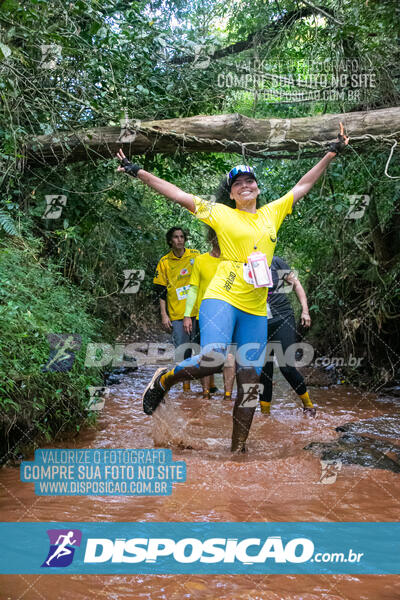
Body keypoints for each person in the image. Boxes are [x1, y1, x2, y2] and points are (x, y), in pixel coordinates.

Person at [116, 122, 349, 452]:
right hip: (222, 295)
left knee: (250, 381)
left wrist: (331, 153)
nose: (244, 186)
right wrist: (138, 171)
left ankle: (237, 449)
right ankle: (165, 378)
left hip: (255, 306)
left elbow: (304, 184)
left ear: (257, 187)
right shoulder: (220, 214)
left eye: (249, 181)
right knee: (211, 358)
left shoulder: (273, 212)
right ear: (230, 193)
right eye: (237, 183)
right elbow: (178, 194)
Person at [183, 226, 235, 400]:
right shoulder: (200, 260)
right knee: (205, 355)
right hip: (203, 316)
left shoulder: (233, 261)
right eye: (217, 237)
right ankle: (206, 395)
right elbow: (193, 289)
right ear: (211, 239)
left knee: (229, 356)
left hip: (229, 314)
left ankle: (227, 396)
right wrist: (187, 315)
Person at [259, 255, 315, 416]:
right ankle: (265, 415)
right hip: (258, 322)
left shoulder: (274, 261)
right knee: (264, 371)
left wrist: (305, 311)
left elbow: (296, 284)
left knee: (286, 366)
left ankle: (308, 405)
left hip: (282, 318)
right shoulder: (242, 264)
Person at [153, 227, 199, 391]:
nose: (179, 240)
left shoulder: (195, 255)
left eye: (182, 237)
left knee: (202, 350)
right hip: (178, 313)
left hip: (199, 311)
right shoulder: (164, 262)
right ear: (170, 240)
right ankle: (186, 386)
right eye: (175, 237)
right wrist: (164, 315)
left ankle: (207, 387)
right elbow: (161, 291)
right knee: (183, 351)